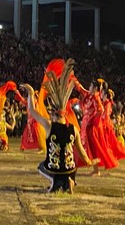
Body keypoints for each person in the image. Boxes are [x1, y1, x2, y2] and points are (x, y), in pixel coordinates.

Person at [21, 59, 95, 194]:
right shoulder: (73, 129)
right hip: (70, 169)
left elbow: (32, 110)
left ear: (53, 113)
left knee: (41, 167)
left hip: (54, 168)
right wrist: (89, 162)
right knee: (69, 164)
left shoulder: (49, 126)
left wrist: (31, 93)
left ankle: (55, 181)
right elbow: (82, 153)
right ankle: (69, 180)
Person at [73, 77, 119, 175]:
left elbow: (100, 110)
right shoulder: (89, 96)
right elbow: (81, 89)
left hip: (90, 127)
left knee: (83, 146)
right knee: (86, 147)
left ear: (95, 88)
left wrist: (91, 120)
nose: (89, 87)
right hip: (86, 125)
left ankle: (76, 168)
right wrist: (74, 81)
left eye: (90, 86)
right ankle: (93, 169)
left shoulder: (96, 98)